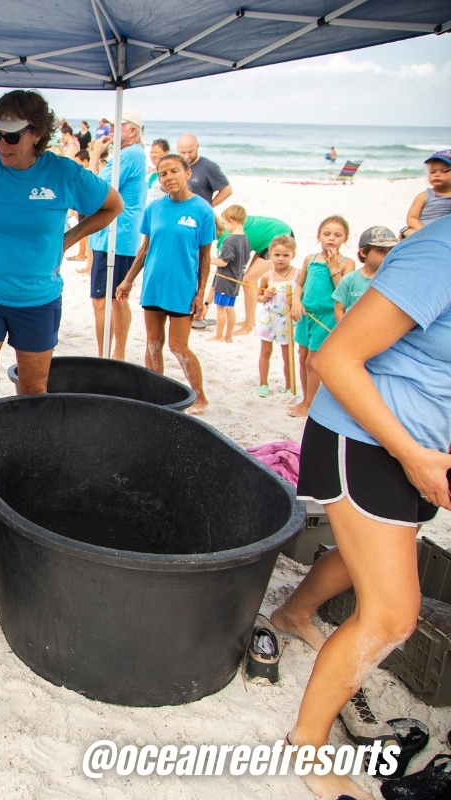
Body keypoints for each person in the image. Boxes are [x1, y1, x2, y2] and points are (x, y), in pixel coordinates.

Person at [269, 215, 451, 800]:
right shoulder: (440, 253)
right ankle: (308, 743)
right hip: (369, 439)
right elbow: (335, 359)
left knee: (366, 557)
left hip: (420, 443)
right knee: (394, 613)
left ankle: (294, 614)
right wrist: (414, 456)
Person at [0, 90, 121, 411]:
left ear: (36, 134)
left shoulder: (64, 174)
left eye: (11, 136)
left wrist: (68, 239)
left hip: (39, 299)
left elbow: (112, 206)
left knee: (34, 391)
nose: (1, 144)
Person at [115, 154, 214, 415]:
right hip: (154, 285)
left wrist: (201, 293)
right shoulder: (154, 208)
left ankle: (200, 397)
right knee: (153, 343)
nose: (169, 177)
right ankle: (154, 396)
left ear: (187, 173)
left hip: (182, 288)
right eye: (163, 173)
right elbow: (145, 249)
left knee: (178, 347)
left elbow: (206, 257)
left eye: (174, 171)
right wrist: (127, 280)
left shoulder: (202, 210)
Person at [86, 110, 147, 361]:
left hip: (115, 235)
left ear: (132, 130)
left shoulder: (129, 154)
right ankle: (115, 354)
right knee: (115, 299)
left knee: (105, 300)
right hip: (117, 235)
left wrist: (94, 157)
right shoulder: (133, 154)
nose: (110, 130)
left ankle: (107, 357)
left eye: (116, 125)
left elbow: (95, 189)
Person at [289, 215, 354, 419]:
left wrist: (334, 267)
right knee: (302, 357)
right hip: (306, 314)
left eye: (337, 235)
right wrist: (296, 302)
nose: (331, 238)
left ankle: (310, 404)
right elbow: (300, 285)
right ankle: (305, 398)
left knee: (312, 361)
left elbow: (343, 291)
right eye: (327, 234)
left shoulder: (347, 263)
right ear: (318, 236)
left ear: (345, 238)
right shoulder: (310, 259)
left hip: (327, 317)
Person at [230, 215, 296, 335]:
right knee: (247, 279)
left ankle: (248, 325)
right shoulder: (231, 228)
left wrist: (206, 303)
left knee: (248, 280)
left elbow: (225, 270)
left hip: (279, 236)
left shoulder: (229, 238)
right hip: (268, 236)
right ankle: (249, 321)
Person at [254, 235, 299, 397]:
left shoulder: (298, 275)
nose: (281, 259)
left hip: (287, 320)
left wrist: (294, 301)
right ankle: (263, 384)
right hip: (269, 318)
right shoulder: (267, 275)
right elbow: (258, 297)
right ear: (270, 255)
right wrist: (265, 295)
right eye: (277, 255)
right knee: (265, 351)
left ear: (293, 254)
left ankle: (289, 385)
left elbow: (302, 298)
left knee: (288, 354)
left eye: (286, 255)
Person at [207, 205, 250, 344]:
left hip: (226, 279)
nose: (225, 225)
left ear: (232, 221)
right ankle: (228, 336)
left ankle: (219, 335)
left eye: (225, 222)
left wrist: (212, 261)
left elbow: (224, 262)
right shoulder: (245, 239)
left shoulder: (230, 240)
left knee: (221, 308)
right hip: (237, 278)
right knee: (230, 307)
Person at [334, 226, 397, 321]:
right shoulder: (349, 279)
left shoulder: (394, 280)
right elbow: (339, 309)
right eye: (381, 250)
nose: (387, 255)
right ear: (363, 252)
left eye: (391, 250)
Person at [402, 150, 451, 237]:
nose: (437, 175)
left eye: (443, 171)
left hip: (446, 233)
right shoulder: (424, 196)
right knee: (407, 232)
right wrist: (424, 230)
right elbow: (411, 218)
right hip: (424, 231)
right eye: (433, 172)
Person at [176, 133, 232, 208]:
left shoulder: (209, 167)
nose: (187, 156)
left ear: (197, 147)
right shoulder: (175, 166)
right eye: (183, 152)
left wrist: (207, 207)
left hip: (199, 216)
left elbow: (227, 190)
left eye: (190, 152)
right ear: (178, 149)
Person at [146, 138, 169, 203]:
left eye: (156, 152)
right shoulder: (149, 172)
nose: (153, 155)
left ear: (166, 153)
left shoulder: (168, 173)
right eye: (151, 152)